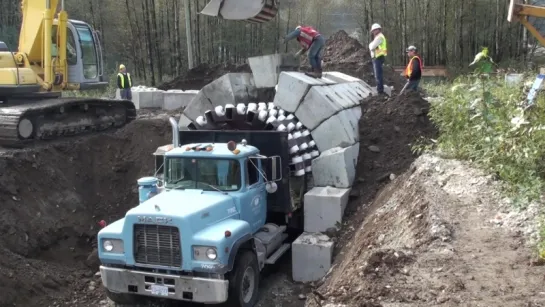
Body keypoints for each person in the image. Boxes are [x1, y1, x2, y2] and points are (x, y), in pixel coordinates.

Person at [368, 23, 387, 95]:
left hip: (378, 57)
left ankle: (380, 91)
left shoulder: (379, 37)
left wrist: (370, 44)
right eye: (372, 31)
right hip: (378, 57)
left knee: (378, 75)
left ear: (378, 30)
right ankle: (380, 90)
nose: (373, 32)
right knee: (378, 74)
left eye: (374, 30)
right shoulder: (379, 37)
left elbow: (371, 47)